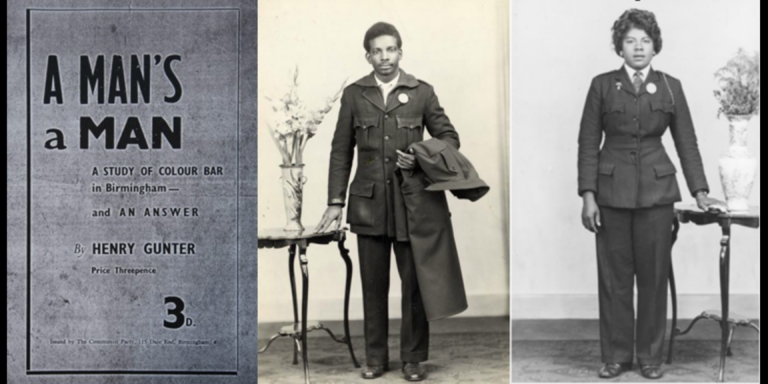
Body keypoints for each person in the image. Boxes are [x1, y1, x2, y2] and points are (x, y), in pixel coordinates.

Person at [577, 9, 726, 380]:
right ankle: (616, 356)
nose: (638, 48)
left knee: (653, 278)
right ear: (620, 47)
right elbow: (586, 143)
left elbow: (686, 141)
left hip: (658, 195)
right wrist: (588, 195)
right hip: (610, 195)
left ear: (655, 46)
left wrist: (701, 190)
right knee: (615, 280)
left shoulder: (671, 86)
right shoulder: (601, 85)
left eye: (645, 41)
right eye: (630, 41)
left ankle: (650, 358)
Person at [315, 21, 460, 381]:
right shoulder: (354, 95)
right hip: (369, 204)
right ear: (368, 55)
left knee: (414, 285)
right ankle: (375, 358)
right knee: (373, 285)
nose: (384, 57)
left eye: (391, 49)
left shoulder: (422, 92)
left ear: (400, 52)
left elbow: (449, 138)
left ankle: (412, 359)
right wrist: (335, 201)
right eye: (377, 51)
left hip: (413, 206)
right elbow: (339, 151)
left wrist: (422, 156)